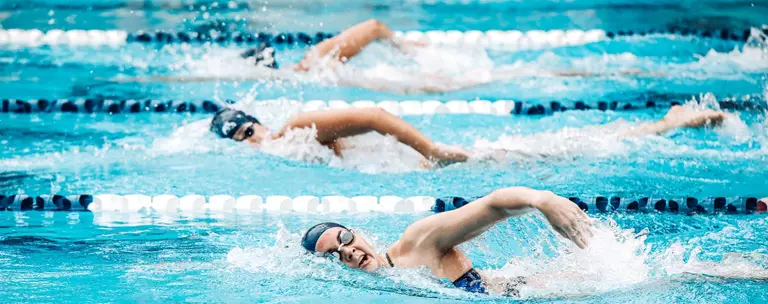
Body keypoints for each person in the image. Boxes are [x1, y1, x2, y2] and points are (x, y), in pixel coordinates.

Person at [119, 19, 651, 94]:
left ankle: (619, 67)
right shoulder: (311, 73)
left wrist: (407, 47)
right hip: (429, 82)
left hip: (439, 74)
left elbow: (372, 25)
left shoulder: (315, 60)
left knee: (527, 71)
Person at [209, 104, 729, 168]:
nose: (253, 141)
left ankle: (670, 123)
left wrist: (434, 151)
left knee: (577, 148)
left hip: (447, 161)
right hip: (423, 170)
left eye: (250, 131)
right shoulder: (282, 151)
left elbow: (374, 114)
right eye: (242, 141)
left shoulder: (296, 128)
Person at [299, 186, 592, 296]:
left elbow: (491, 206)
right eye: (334, 255)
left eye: (345, 238)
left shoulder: (415, 244)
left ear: (358, 232)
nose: (348, 252)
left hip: (546, 291)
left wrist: (543, 200)